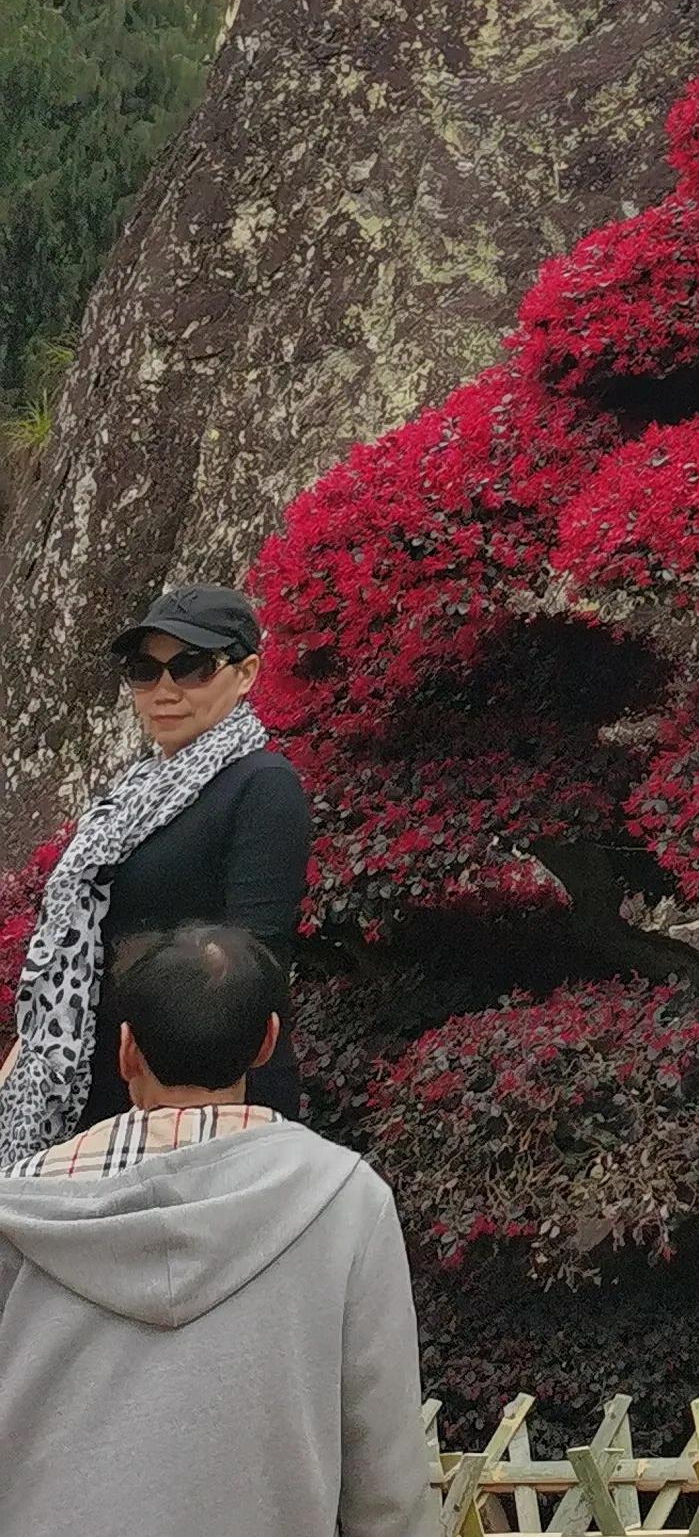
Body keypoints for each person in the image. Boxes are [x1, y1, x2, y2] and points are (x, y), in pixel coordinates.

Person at [0, 922, 436, 1537]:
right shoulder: (344, 1200)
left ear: (126, 1050)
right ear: (267, 1042)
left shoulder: (20, 1209)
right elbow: (387, 1481)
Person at [0, 581, 310, 1170]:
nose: (164, 690)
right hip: (111, 1085)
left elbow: (255, 957)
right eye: (145, 669)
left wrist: (166, 1082)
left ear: (245, 674)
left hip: (204, 1100)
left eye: (191, 667)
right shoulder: (134, 793)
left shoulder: (262, 785)